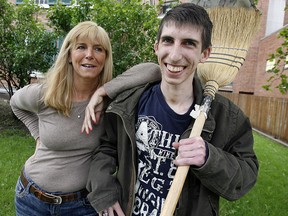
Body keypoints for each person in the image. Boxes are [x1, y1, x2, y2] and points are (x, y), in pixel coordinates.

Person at [85, 3, 259, 216]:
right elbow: (106, 149)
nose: (175, 55)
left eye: (188, 43)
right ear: (157, 46)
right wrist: (104, 194)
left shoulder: (228, 118)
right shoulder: (130, 102)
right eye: (168, 41)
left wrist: (209, 158)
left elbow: (246, 176)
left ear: (205, 53)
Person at [10, 21, 160, 216]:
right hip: (31, 199)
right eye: (81, 47)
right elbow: (15, 103)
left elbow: (154, 70)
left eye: (98, 49)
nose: (89, 54)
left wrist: (101, 92)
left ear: (105, 58)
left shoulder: (110, 101)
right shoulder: (46, 94)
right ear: (69, 55)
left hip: (81, 205)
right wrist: (37, 135)